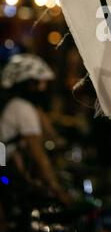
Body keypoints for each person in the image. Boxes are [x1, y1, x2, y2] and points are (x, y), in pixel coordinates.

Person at [0, 53, 70, 205]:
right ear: (28, 84)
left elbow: (51, 134)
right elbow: (39, 155)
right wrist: (57, 189)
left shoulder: (18, 105)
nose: (44, 88)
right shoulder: (22, 109)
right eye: (40, 83)